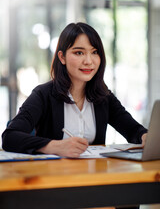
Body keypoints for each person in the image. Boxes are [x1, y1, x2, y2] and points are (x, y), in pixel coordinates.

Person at [2, 22, 147, 209]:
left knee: (129, 192)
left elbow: (133, 129)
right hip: (53, 184)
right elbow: (10, 137)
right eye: (79, 53)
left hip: (93, 181)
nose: (89, 61)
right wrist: (55, 146)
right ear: (62, 57)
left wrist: (146, 137)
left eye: (94, 52)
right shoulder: (43, 95)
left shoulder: (104, 97)